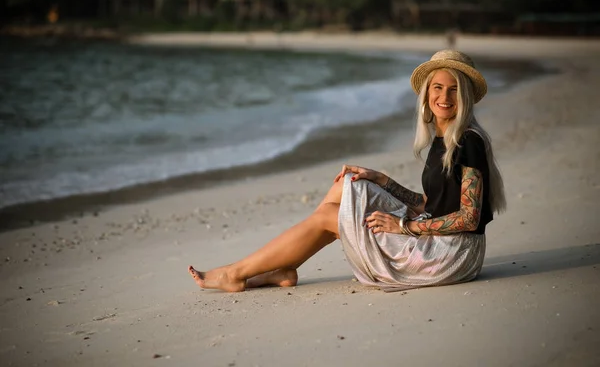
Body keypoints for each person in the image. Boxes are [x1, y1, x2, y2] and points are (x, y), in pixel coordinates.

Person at [188, 49, 506, 293]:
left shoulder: (469, 141)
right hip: (435, 239)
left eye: (453, 90)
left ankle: (239, 273)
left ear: (464, 96)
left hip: (451, 255)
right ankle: (282, 268)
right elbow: (431, 205)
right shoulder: (443, 139)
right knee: (349, 182)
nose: (444, 97)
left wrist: (403, 226)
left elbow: (468, 218)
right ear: (426, 94)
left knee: (328, 217)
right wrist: (383, 180)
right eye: (437, 88)